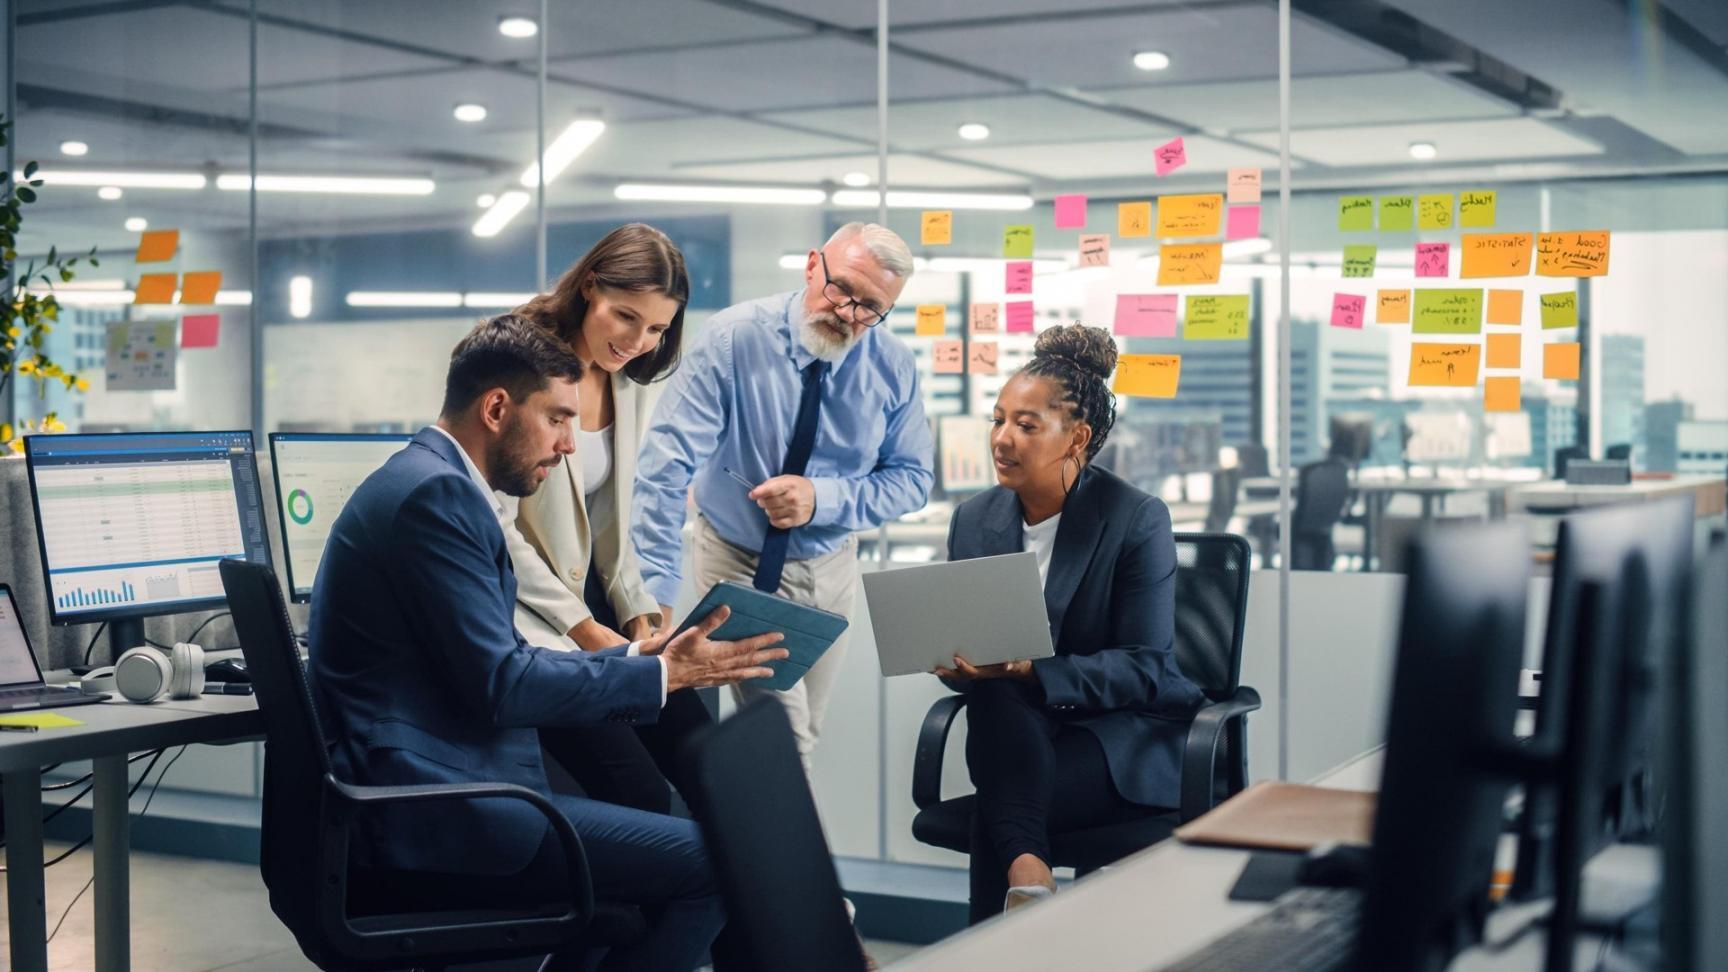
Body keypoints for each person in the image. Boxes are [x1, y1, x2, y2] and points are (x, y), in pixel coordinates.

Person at [308, 315, 788, 971]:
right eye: (558, 419)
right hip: (439, 809)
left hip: (447, 785)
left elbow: (498, 659)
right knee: (720, 864)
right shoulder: (437, 498)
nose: (568, 446)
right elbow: (503, 685)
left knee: (648, 862)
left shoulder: (431, 482)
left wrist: (637, 659)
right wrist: (663, 676)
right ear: (497, 408)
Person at [633, 222, 934, 765]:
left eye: (870, 307)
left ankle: (746, 824)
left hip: (832, 566)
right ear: (813, 265)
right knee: (785, 742)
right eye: (841, 289)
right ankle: (781, 826)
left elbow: (912, 479)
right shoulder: (733, 339)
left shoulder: (891, 366)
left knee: (803, 736)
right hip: (739, 560)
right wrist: (653, 597)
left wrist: (822, 498)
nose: (847, 313)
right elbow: (665, 466)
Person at [934, 324, 1206, 924]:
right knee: (994, 696)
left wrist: (1030, 669)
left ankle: (1016, 899)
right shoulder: (974, 519)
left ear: (1077, 437)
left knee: (1000, 810)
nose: (1002, 439)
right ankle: (1031, 892)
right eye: (998, 420)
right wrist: (956, 660)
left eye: (1026, 426)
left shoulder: (1134, 518)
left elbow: (1146, 666)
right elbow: (972, 652)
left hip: (1119, 736)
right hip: (1015, 730)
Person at [506, 224, 713, 815]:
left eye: (656, 329)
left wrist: (637, 612)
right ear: (590, 286)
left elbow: (610, 519)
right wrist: (582, 628)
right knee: (638, 790)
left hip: (599, 605)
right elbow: (492, 528)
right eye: (626, 316)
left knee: (708, 756)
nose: (637, 341)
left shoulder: (625, 380)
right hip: (533, 618)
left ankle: (751, 880)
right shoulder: (517, 362)